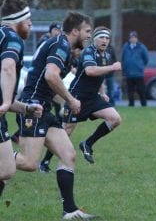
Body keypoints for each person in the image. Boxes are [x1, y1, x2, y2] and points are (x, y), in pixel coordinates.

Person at [15, 12, 97, 219]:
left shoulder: (62, 45)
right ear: (75, 31)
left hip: (44, 108)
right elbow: (51, 76)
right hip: (33, 107)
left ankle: (69, 211)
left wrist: (65, 102)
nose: (90, 36)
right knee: (29, 163)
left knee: (68, 155)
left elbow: (48, 82)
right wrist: (70, 100)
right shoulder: (60, 44)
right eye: (87, 31)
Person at [39, 26, 122, 167]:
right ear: (94, 39)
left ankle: (87, 144)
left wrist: (102, 93)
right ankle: (45, 162)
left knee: (115, 119)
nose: (105, 40)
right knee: (66, 131)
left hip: (93, 98)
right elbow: (90, 71)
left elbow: (99, 75)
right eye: (101, 37)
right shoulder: (88, 52)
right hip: (76, 97)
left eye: (107, 38)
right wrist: (112, 67)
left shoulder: (106, 55)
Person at [0, 0, 43, 197]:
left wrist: (25, 108)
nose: (31, 25)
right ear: (18, 21)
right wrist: (7, 101)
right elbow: (8, 68)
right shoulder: (12, 38)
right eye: (29, 21)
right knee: (6, 169)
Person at [121, 31, 149, 107]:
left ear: (137, 38)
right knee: (130, 90)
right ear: (129, 39)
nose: (133, 39)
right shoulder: (126, 47)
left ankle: (143, 104)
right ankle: (131, 104)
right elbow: (123, 58)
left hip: (138, 73)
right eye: (131, 37)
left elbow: (146, 59)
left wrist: (140, 66)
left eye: (134, 37)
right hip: (128, 73)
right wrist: (124, 68)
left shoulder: (141, 47)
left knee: (141, 90)